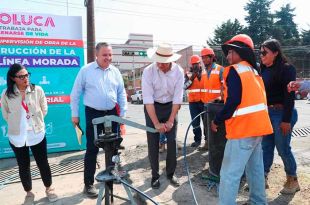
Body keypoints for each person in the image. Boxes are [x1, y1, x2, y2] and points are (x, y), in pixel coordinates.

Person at [211, 34, 273, 204]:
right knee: (255, 170)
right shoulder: (254, 71)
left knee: (229, 174)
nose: (228, 56)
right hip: (257, 129)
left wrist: (217, 120)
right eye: (228, 53)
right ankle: (258, 201)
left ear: (242, 52)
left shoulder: (234, 71)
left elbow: (233, 101)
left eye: (232, 52)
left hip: (242, 131)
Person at [70, 42, 127, 197]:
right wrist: (75, 114)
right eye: (104, 55)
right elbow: (75, 93)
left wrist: (123, 114)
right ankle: (88, 184)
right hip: (94, 114)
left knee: (114, 146)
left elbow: (121, 93)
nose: (108, 58)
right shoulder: (86, 71)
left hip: (112, 114)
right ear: (96, 55)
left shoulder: (115, 71)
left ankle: (113, 173)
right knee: (92, 149)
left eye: (110, 54)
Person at [1, 63, 58, 205]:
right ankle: (29, 193)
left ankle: (49, 188)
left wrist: (35, 122)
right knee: (23, 165)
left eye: (27, 75)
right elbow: (6, 114)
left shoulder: (37, 90)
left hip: (36, 134)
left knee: (43, 163)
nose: (25, 78)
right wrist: (18, 125)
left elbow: (44, 109)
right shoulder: (6, 94)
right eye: (21, 76)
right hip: (17, 136)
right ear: (13, 78)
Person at [259, 39, 300, 194]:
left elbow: (289, 96)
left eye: (265, 52)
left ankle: (292, 180)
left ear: (275, 53)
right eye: (260, 52)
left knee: (282, 148)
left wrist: (286, 120)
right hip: (267, 113)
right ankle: (262, 179)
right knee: (266, 147)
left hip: (282, 113)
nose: (261, 55)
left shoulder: (287, 69)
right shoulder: (262, 69)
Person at [142, 43, 184, 189]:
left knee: (172, 142)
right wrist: (156, 123)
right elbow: (147, 100)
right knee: (153, 143)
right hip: (153, 107)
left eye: (164, 63)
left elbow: (178, 99)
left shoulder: (179, 71)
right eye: (158, 61)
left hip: (171, 107)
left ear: (171, 60)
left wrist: (171, 119)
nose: (161, 65)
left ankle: (171, 173)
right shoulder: (148, 71)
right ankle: (155, 175)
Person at [200, 48, 224, 150]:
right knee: (206, 125)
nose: (204, 60)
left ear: (212, 57)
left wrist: (221, 99)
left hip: (217, 105)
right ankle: (207, 143)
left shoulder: (220, 69)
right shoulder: (204, 72)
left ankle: (217, 146)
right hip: (206, 104)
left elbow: (224, 86)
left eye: (206, 58)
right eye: (203, 58)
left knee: (217, 127)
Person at [184, 55, 207, 148]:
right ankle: (197, 140)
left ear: (200, 64)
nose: (195, 66)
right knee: (195, 123)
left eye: (196, 64)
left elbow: (206, 84)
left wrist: (199, 76)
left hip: (204, 101)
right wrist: (192, 78)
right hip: (193, 102)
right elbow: (185, 86)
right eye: (193, 64)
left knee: (205, 122)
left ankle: (207, 141)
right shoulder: (188, 74)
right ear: (191, 65)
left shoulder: (205, 73)